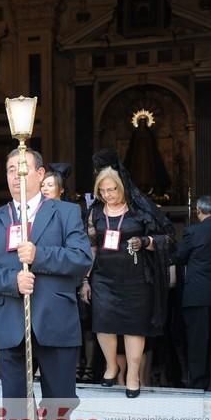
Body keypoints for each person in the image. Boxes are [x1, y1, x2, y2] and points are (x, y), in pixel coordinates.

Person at [0, 148, 92, 420]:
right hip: (12, 321)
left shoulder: (66, 213)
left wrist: (40, 256)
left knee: (61, 400)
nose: (15, 175)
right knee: (17, 405)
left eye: (22, 168)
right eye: (10, 169)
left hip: (55, 321)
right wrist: (11, 282)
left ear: (41, 175)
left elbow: (81, 258)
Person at [79, 167, 173, 397]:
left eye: (111, 190)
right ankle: (112, 366)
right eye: (102, 190)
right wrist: (85, 279)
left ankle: (132, 375)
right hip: (104, 277)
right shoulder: (96, 213)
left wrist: (145, 240)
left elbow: (167, 237)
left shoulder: (140, 210)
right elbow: (91, 247)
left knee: (134, 328)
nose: (108, 194)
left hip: (136, 279)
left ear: (122, 188)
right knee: (103, 323)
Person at [172, 195, 211, 391]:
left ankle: (199, 384)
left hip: (197, 295)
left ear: (198, 211)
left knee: (198, 343)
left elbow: (179, 257)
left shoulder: (193, 232)